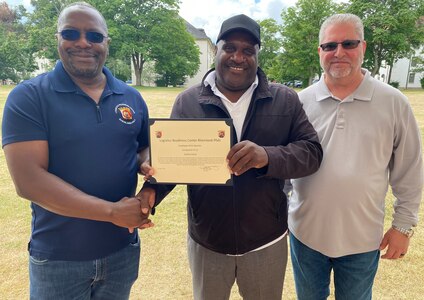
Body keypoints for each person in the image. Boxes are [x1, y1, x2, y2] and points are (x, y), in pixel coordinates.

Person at [141, 14, 323, 300]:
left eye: (248, 50)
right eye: (230, 48)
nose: (238, 57)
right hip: (208, 241)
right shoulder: (188, 101)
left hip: (266, 241)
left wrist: (267, 156)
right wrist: (151, 191)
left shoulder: (285, 99)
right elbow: (172, 163)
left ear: (257, 56)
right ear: (217, 50)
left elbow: (311, 153)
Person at [2, 2, 154, 299]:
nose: (83, 42)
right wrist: (112, 212)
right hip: (59, 258)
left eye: (94, 36)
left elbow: (140, 149)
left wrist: (146, 163)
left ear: (106, 43)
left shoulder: (131, 97)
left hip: (122, 252)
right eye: (71, 33)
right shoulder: (29, 97)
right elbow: (29, 181)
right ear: (57, 39)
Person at [288, 13, 423, 300]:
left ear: (363, 47)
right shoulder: (301, 102)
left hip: (362, 239)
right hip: (305, 235)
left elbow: (410, 170)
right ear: (320, 51)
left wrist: (403, 227)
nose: (338, 53)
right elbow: (286, 162)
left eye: (348, 44)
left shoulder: (393, 102)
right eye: (329, 46)